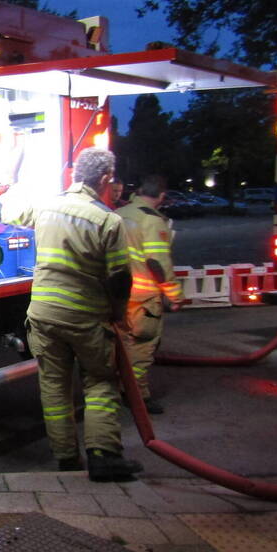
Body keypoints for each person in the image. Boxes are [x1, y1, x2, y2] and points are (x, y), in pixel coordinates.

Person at [1, 147, 143, 482]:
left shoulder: (48, 206)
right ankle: (104, 457)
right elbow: (120, 278)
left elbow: (9, 213)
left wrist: (13, 179)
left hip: (43, 314)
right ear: (105, 178)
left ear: (76, 175)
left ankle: (66, 457)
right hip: (86, 318)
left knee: (53, 385)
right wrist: (120, 314)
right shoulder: (108, 220)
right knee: (100, 382)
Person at [116, 175, 185, 414]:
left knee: (121, 346)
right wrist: (175, 295)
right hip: (142, 299)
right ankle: (137, 397)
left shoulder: (121, 213)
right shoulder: (152, 220)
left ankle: (117, 389)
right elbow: (157, 264)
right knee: (142, 348)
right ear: (162, 196)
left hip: (117, 295)